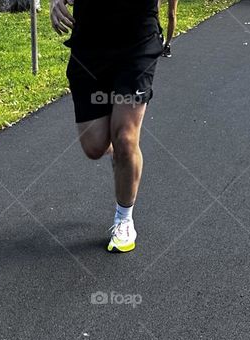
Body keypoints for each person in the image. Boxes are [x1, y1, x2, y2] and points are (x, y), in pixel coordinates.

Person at [51, 0, 178, 252]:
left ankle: (124, 219)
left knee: (125, 138)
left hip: (137, 42)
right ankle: (121, 157)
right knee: (95, 146)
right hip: (90, 43)